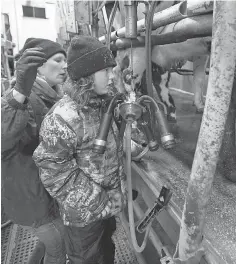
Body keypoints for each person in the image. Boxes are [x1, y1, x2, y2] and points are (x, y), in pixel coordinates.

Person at [33, 35, 128, 264]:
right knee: (87, 258)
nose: (111, 76)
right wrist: (100, 200)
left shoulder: (101, 105)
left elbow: (109, 147)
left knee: (106, 251)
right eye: (105, 71)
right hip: (83, 217)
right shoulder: (63, 118)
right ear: (86, 76)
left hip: (106, 206)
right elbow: (55, 173)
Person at [1, 38, 67, 264]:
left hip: (44, 194)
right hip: (32, 198)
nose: (65, 66)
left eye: (66, 60)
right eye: (57, 60)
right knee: (59, 247)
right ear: (36, 66)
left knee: (48, 243)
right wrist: (19, 92)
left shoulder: (54, 96)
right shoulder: (24, 99)